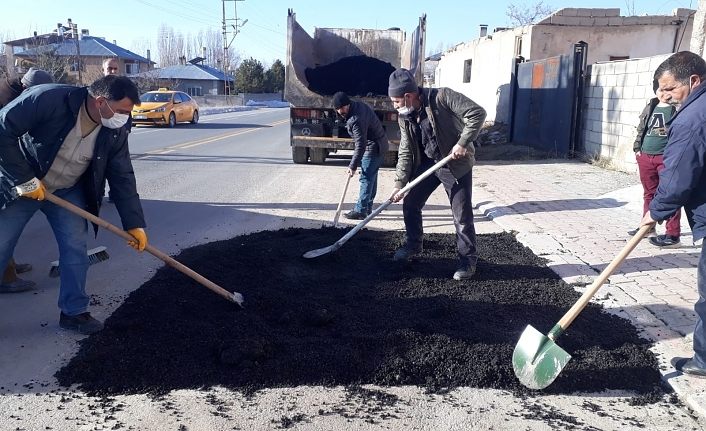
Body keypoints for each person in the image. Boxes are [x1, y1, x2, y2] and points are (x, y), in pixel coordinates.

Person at [0, 74, 148, 335]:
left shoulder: (114, 128)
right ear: (101, 102)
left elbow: (122, 174)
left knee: (75, 248)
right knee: (2, 244)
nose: (126, 117)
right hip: (25, 184)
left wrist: (134, 224)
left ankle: (74, 312)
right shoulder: (48, 99)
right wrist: (24, 178)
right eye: (123, 110)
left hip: (68, 189)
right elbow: (3, 129)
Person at [640, 51, 706, 377]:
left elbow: (678, 173)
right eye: (660, 89)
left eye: (669, 89)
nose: (663, 96)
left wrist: (656, 212)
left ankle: (704, 362)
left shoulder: (692, 117)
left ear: (693, 81)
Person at [386, 68, 486, 280]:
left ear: (408, 96)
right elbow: (405, 149)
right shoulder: (405, 116)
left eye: (396, 101)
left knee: (461, 214)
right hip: (429, 164)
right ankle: (414, 244)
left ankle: (467, 261)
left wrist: (462, 143)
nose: (394, 106)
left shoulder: (442, 97)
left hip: (454, 164)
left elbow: (477, 113)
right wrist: (400, 183)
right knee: (411, 203)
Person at [0, 67, 54, 292]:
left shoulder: (17, 94)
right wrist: (24, 179)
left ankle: (8, 263)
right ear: (26, 87)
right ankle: (6, 278)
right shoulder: (8, 100)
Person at [628, 83, 681, 247]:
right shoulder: (651, 105)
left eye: (669, 90)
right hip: (645, 156)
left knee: (669, 195)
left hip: (665, 159)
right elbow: (642, 128)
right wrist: (638, 149)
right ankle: (647, 228)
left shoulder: (677, 109)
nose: (665, 93)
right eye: (661, 90)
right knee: (648, 194)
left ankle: (672, 235)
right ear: (656, 91)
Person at [332, 91, 389, 219]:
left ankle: (361, 210)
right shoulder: (357, 106)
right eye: (338, 109)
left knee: (366, 177)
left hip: (373, 146)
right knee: (371, 176)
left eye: (342, 108)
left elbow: (361, 144)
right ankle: (367, 207)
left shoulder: (355, 119)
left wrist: (352, 166)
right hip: (380, 143)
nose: (341, 111)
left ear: (347, 105)